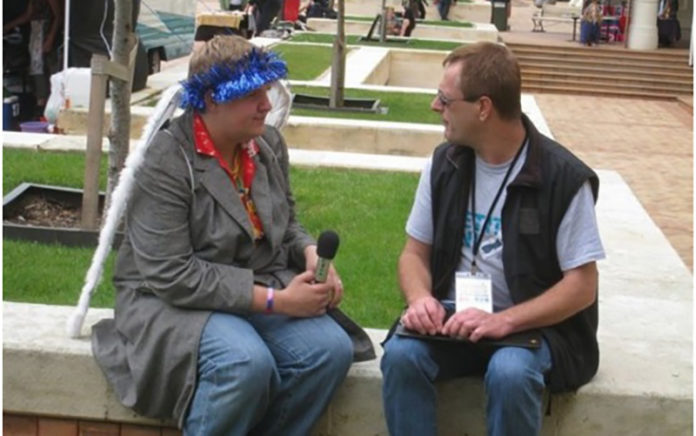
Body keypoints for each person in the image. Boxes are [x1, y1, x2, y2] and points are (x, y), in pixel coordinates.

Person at [91, 34, 373, 435]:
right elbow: (171, 273)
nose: (266, 104)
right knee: (244, 363)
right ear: (210, 99)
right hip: (168, 299)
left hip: (251, 283)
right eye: (252, 94)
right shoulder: (166, 160)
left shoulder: (268, 143)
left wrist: (309, 251)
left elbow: (286, 222)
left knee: (329, 352)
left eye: (267, 90)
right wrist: (277, 300)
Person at [380, 42, 604, 436]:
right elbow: (414, 253)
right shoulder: (444, 163)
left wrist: (504, 320)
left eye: (445, 100)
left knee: (510, 373)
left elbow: (582, 286)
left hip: (533, 327)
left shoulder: (563, 177)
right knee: (401, 355)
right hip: (455, 318)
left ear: (483, 108)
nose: (436, 107)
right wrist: (420, 300)